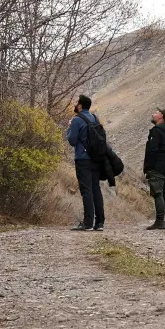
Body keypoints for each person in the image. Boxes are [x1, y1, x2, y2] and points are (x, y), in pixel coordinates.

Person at [66, 95, 104, 231]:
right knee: (96, 189)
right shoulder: (94, 118)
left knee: (86, 190)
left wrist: (69, 128)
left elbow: (72, 140)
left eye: (77, 102)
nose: (75, 104)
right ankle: (100, 222)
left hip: (83, 159)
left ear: (80, 106)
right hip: (96, 159)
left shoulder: (76, 120)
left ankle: (88, 223)